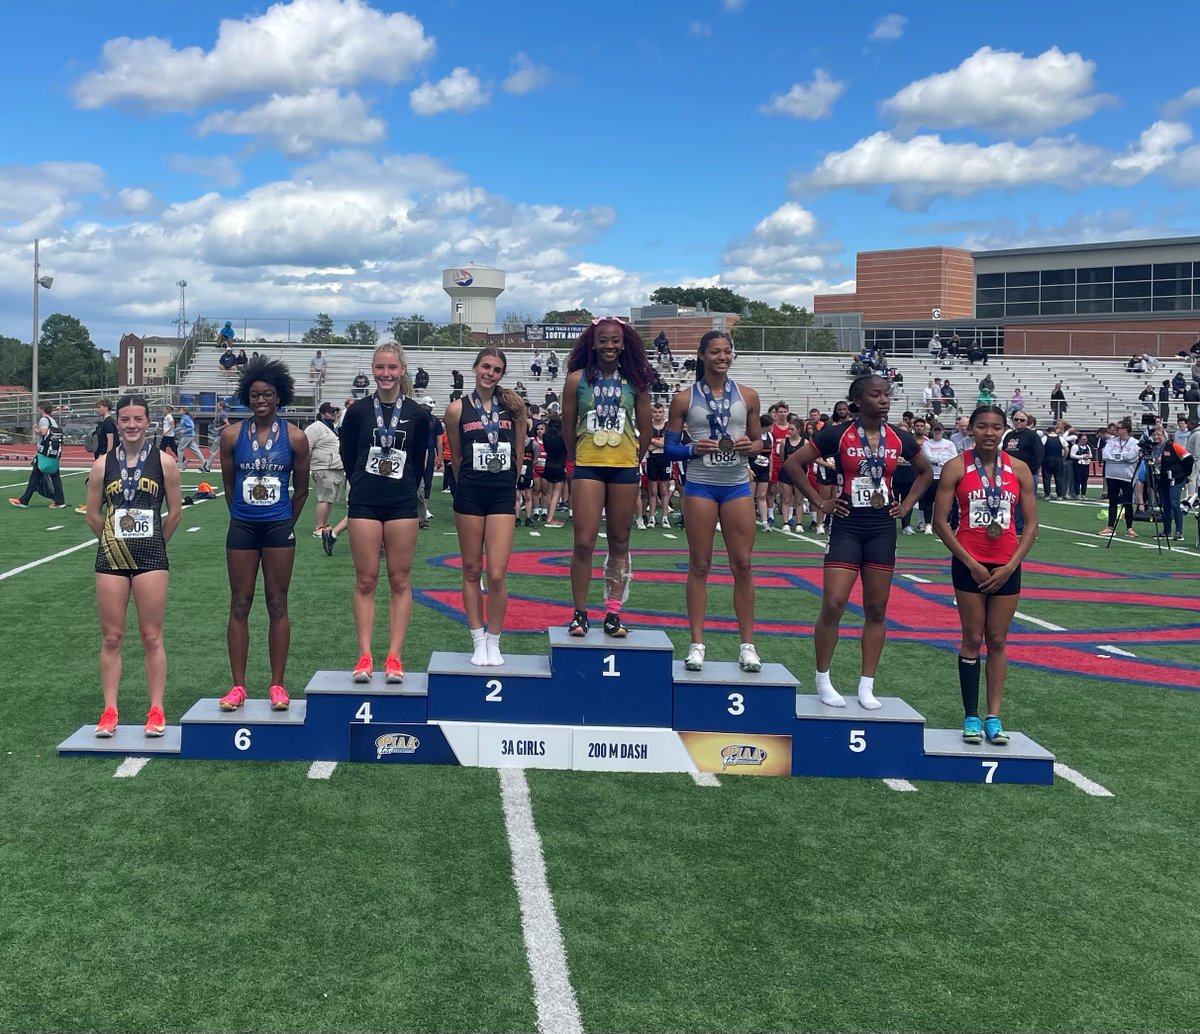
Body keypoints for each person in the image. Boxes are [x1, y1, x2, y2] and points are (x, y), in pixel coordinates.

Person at [784, 374, 932, 709]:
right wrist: (819, 502)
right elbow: (794, 465)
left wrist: (907, 504)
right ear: (859, 400)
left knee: (877, 609)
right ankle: (823, 678)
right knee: (834, 602)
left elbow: (925, 472)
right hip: (847, 526)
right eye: (876, 395)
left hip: (882, 528)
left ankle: (867, 685)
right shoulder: (836, 434)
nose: (884, 400)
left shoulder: (900, 437)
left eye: (887, 394)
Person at [933, 404, 1038, 747]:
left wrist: (1011, 565)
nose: (989, 433)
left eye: (995, 427)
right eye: (981, 427)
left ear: (1004, 430)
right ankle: (971, 716)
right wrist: (970, 563)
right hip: (969, 563)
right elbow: (940, 522)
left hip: (1007, 563)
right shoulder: (955, 467)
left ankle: (994, 716)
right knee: (972, 638)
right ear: (971, 430)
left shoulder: (1018, 469)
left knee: (997, 641)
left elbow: (1032, 524)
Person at [664, 330, 762, 672]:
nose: (723, 356)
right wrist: (692, 448)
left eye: (727, 351)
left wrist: (752, 446)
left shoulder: (748, 395)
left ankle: (747, 645)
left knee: (744, 565)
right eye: (716, 352)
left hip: (736, 484)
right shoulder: (684, 398)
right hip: (701, 486)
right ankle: (697, 643)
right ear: (702, 355)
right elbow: (669, 448)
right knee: (700, 565)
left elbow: (758, 441)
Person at [86, 394, 183, 737]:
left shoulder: (164, 463)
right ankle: (109, 710)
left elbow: (175, 513)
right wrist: (112, 540)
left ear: (148, 422)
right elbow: (93, 514)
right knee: (112, 637)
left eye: (137, 419)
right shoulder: (102, 464)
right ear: (118, 421)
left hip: (152, 559)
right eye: (125, 419)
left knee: (151, 636)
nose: (131, 425)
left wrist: (155, 541)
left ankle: (156, 709)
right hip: (111, 559)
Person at [218, 357, 311, 712]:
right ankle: (238, 686)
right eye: (255, 395)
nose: (261, 401)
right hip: (242, 525)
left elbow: (301, 490)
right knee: (240, 602)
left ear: (279, 397)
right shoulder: (231, 435)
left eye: (268, 395)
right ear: (247, 396)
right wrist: (242, 514)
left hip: (277, 526)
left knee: (277, 603)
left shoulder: (295, 437)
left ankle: (277, 685)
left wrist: (286, 521)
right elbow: (229, 485)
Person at [339, 342, 430, 682]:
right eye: (380, 367)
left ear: (402, 370)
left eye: (392, 368)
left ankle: (395, 656)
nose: (386, 374)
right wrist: (362, 483)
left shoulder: (418, 414)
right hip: (364, 502)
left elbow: (421, 457)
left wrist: (406, 487)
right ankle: (364, 656)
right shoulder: (359, 412)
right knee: (365, 580)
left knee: (399, 579)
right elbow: (349, 455)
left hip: (402, 504)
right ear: (372, 370)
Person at [560, 317, 654, 637]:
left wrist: (632, 458)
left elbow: (647, 428)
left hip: (624, 468)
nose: (609, 346)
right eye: (603, 340)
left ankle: (613, 613)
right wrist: (579, 458)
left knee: (619, 541)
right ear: (593, 343)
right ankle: (580, 613)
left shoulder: (636, 381)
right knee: (584, 541)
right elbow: (568, 427)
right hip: (588, 465)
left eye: (615, 340)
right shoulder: (576, 380)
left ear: (624, 342)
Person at [444, 347, 527, 665]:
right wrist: (465, 483)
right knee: (471, 569)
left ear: (502, 375)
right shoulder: (456, 409)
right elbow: (456, 455)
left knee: (496, 574)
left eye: (496, 369)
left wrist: (511, 479)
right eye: (485, 367)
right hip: (469, 494)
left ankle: (495, 639)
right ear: (475, 368)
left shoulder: (513, 408)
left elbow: (519, 451)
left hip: (501, 494)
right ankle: (477, 639)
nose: (489, 373)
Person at [10, 401, 67, 509]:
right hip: (53, 452)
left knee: (34, 477)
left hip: (43, 452)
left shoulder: (44, 420)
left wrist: (37, 430)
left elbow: (44, 432)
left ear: (42, 409)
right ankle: (60, 500)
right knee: (55, 476)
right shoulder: (53, 421)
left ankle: (24, 501)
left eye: (39, 408)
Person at [306, 402, 345, 539]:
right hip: (324, 467)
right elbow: (306, 447)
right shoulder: (316, 427)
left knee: (330, 499)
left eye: (335, 412)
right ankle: (319, 527)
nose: (333, 414)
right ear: (322, 414)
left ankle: (324, 524)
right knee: (324, 498)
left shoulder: (331, 426)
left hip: (333, 466)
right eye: (330, 412)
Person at [1001, 411, 1042, 534]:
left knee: (1027, 503)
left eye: (1022, 420)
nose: (1018, 422)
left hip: (1027, 475)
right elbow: (1003, 453)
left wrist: (1030, 471)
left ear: (1026, 422)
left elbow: (1039, 455)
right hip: (1009, 474)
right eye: (1016, 419)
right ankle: (1013, 527)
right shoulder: (1009, 435)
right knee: (1010, 501)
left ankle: (1029, 529)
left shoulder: (1032, 435)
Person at [75, 398, 119, 513]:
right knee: (101, 482)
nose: (98, 409)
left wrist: (107, 456)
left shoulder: (108, 422)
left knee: (95, 481)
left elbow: (111, 439)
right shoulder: (106, 421)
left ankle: (94, 506)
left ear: (106, 407)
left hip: (105, 455)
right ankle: (98, 504)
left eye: (99, 407)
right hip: (103, 454)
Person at [1099, 417, 1140, 538]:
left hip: (1127, 476)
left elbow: (1132, 456)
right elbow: (1105, 454)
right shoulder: (1112, 441)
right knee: (1112, 501)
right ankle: (1110, 527)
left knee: (1127, 503)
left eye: (1119, 428)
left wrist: (1116, 456)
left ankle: (1129, 528)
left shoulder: (1135, 443)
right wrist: (1121, 457)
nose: (1116, 430)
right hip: (1112, 475)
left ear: (1125, 429)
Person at [1152, 428, 1193, 541]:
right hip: (1163, 479)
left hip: (1176, 479)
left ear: (1164, 435)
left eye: (1159, 434)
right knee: (1165, 505)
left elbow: (1188, 458)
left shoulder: (1173, 446)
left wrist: (1184, 474)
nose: (1156, 437)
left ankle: (1179, 531)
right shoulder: (1153, 447)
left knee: (1174, 503)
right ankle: (1167, 530)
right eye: (1154, 435)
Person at [919, 421, 958, 533]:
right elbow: (929, 458)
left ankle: (945, 523)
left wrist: (939, 461)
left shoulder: (949, 444)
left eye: (939, 430)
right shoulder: (927, 444)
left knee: (946, 501)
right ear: (932, 431)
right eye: (935, 430)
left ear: (943, 431)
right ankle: (928, 524)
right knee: (929, 501)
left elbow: (953, 457)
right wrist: (943, 460)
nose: (937, 432)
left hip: (946, 475)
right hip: (932, 476)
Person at [201, 400, 229, 473]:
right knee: (226, 452)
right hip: (223, 435)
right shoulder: (221, 414)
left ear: (221, 407)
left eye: (217, 405)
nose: (216, 406)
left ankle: (208, 467)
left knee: (213, 452)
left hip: (220, 436)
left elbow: (227, 424)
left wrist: (218, 428)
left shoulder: (222, 414)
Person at [175, 407, 206, 471]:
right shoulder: (184, 417)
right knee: (195, 450)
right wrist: (174, 431)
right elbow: (182, 427)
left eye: (180, 409)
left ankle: (179, 464)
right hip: (190, 436)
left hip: (187, 436)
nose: (179, 411)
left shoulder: (186, 417)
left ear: (184, 411)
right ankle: (203, 462)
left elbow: (192, 427)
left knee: (180, 449)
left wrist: (184, 431)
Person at [1070, 433, 1093, 498]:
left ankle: (1083, 494)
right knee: (1078, 479)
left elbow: (1091, 454)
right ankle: (1077, 494)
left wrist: (1088, 456)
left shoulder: (1087, 446)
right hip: (1078, 465)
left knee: (1084, 480)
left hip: (1086, 464)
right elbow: (1072, 455)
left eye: (1085, 439)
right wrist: (1082, 456)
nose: (1085, 441)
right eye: (1083, 439)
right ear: (1079, 439)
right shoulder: (1075, 446)